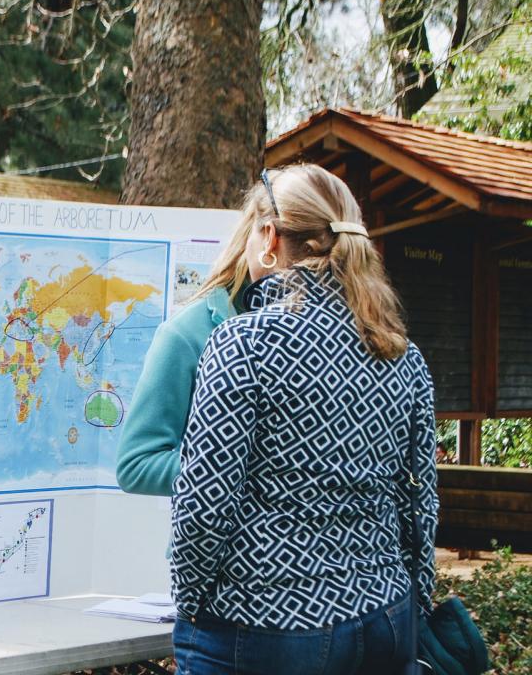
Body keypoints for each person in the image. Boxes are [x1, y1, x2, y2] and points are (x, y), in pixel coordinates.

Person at [169, 164, 438, 674]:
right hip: (385, 614)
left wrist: (192, 603)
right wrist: (412, 607)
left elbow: (204, 506)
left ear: (269, 238)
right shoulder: (402, 355)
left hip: (264, 621)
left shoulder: (243, 343)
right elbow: (419, 503)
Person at [116, 196, 257, 496]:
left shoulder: (341, 332)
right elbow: (136, 466)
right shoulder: (186, 333)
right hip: (216, 538)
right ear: (268, 240)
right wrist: (243, 466)